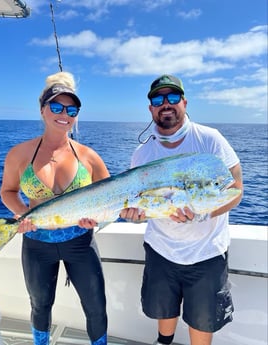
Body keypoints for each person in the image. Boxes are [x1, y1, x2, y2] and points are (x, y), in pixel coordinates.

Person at [120, 75, 243, 345]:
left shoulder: (211, 140)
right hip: (161, 249)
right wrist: (134, 215)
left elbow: (236, 190)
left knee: (202, 320)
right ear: (150, 108)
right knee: (164, 309)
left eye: (173, 97)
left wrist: (204, 213)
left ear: (184, 102)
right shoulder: (142, 154)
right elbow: (142, 204)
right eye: (158, 99)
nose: (166, 104)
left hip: (207, 252)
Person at [0, 71, 110, 345]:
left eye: (72, 109)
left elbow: (110, 197)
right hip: (37, 242)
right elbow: (7, 191)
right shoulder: (20, 153)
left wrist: (95, 218)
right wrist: (22, 214)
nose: (65, 114)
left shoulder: (88, 156)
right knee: (40, 306)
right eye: (57, 106)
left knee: (96, 306)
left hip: (80, 242)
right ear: (42, 110)